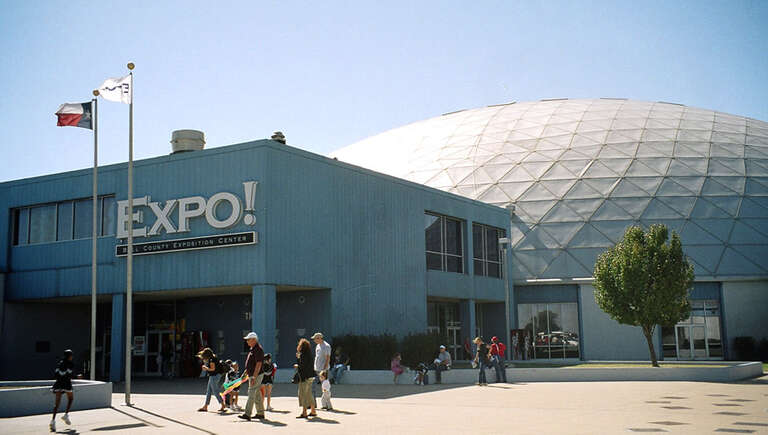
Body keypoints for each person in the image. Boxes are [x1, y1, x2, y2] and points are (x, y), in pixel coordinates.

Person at [238, 332, 265, 421]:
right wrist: (245, 373)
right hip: (253, 374)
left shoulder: (258, 349)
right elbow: (251, 363)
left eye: (248, 340)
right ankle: (260, 413)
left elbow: (258, 364)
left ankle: (247, 414)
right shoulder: (253, 349)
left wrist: (253, 377)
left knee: (251, 393)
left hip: (256, 375)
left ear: (254, 340)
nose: (247, 341)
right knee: (256, 394)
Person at [50, 349, 75, 432]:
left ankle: (52, 421)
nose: (72, 357)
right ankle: (66, 415)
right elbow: (69, 375)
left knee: (56, 404)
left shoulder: (59, 363)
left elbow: (56, 375)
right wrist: (76, 377)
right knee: (71, 399)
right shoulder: (70, 364)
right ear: (69, 356)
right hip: (66, 384)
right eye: (71, 355)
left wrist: (60, 382)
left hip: (58, 384)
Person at [197, 348, 227, 413]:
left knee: (215, 391)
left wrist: (205, 368)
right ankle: (205, 406)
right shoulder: (214, 358)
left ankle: (223, 404)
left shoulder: (212, 360)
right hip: (214, 375)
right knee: (209, 391)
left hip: (214, 376)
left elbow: (212, 369)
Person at [295, 338, 317, 418]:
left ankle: (304, 412)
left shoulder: (302, 355)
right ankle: (313, 410)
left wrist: (297, 361)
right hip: (311, 376)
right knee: (309, 394)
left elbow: (302, 366)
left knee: (303, 394)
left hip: (304, 377)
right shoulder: (310, 354)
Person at [311, 332, 331, 402]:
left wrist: (324, 369)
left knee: (325, 388)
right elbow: (317, 357)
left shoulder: (326, 346)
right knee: (312, 385)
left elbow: (328, 358)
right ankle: (313, 403)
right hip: (316, 369)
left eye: (315, 339)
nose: (314, 341)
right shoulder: (318, 346)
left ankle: (326, 403)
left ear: (319, 338)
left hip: (323, 370)